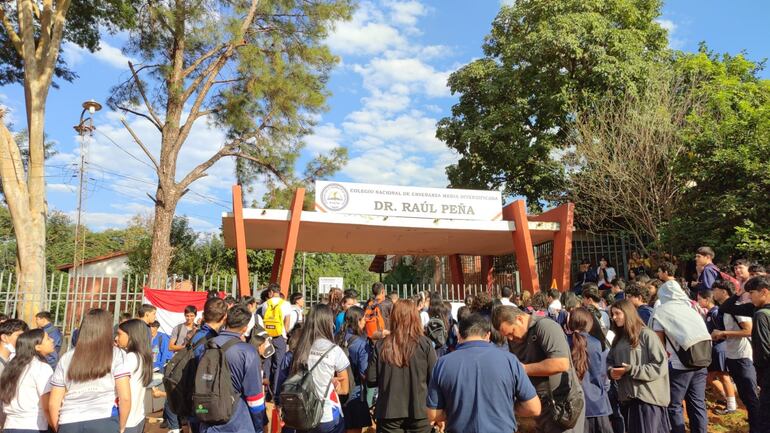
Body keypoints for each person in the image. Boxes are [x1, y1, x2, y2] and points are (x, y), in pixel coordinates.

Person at [427, 312, 540, 433]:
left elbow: (433, 414)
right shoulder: (510, 361)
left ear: (459, 335)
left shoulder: (443, 363)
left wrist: (455, 412)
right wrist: (508, 408)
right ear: (488, 335)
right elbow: (534, 408)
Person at [492, 305, 586, 433]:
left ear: (519, 319)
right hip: (538, 408)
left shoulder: (545, 327)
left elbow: (561, 364)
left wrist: (524, 369)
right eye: (506, 336)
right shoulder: (514, 340)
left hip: (562, 407)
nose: (510, 338)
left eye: (511, 332)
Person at [649, 266, 711, 433]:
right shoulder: (693, 309)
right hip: (701, 361)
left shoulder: (662, 312)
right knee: (697, 403)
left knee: (674, 405)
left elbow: (658, 344)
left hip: (678, 366)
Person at [48, 308, 131, 433]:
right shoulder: (117, 354)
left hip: (69, 422)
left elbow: (54, 402)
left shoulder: (66, 357)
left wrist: (58, 428)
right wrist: (122, 427)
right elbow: (125, 397)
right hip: (104, 421)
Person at [368, 299, 435, 433]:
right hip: (419, 411)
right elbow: (434, 377)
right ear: (415, 318)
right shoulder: (425, 344)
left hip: (389, 411)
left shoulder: (381, 345)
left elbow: (371, 379)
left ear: (394, 317)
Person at [199, 305, 266, 433]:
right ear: (245, 328)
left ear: (225, 319)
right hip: (237, 423)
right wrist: (259, 427)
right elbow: (255, 400)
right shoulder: (247, 351)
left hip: (207, 417)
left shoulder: (207, 345)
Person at [606, 300, 670, 433]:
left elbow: (660, 366)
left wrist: (631, 370)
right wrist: (611, 371)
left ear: (628, 314)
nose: (614, 317)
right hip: (627, 400)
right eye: (612, 314)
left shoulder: (647, 335)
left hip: (648, 401)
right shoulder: (618, 339)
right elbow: (610, 361)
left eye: (618, 313)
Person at [289, 304, 349, 433]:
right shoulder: (334, 350)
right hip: (326, 413)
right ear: (328, 323)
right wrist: (331, 382)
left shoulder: (299, 348)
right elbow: (344, 389)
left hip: (302, 414)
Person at [710, 279, 760, 429]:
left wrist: (724, 332)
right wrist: (723, 335)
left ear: (724, 291)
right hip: (732, 356)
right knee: (744, 396)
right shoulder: (725, 309)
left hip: (743, 356)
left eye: (715, 290)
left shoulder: (738, 308)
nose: (713, 293)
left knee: (751, 396)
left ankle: (758, 426)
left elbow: (748, 330)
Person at [0, 329, 55, 433]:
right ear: (37, 346)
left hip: (9, 426)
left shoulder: (11, 366)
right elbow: (47, 405)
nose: (52, 340)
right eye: (47, 339)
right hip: (33, 426)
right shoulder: (41, 368)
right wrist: (55, 426)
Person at [567, 308, 612, 433]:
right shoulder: (596, 343)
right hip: (597, 400)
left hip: (574, 403)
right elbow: (601, 372)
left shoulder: (566, 342)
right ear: (589, 323)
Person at [698, 289, 736, 415]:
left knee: (724, 376)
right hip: (715, 348)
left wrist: (716, 336)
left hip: (720, 347)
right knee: (710, 377)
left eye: (699, 299)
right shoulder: (710, 313)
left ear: (707, 299)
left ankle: (731, 405)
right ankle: (727, 399)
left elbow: (723, 331)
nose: (698, 302)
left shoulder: (716, 313)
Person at [336, 306, 372, 433]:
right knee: (354, 428)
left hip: (336, 389)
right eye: (363, 319)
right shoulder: (361, 343)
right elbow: (364, 373)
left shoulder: (337, 337)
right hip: (355, 391)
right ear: (358, 321)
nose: (365, 322)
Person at [115, 319, 154, 433]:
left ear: (131, 336)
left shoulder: (130, 359)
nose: (116, 338)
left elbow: (124, 397)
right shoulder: (143, 356)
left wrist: (121, 427)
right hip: (138, 417)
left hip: (127, 420)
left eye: (119, 334)